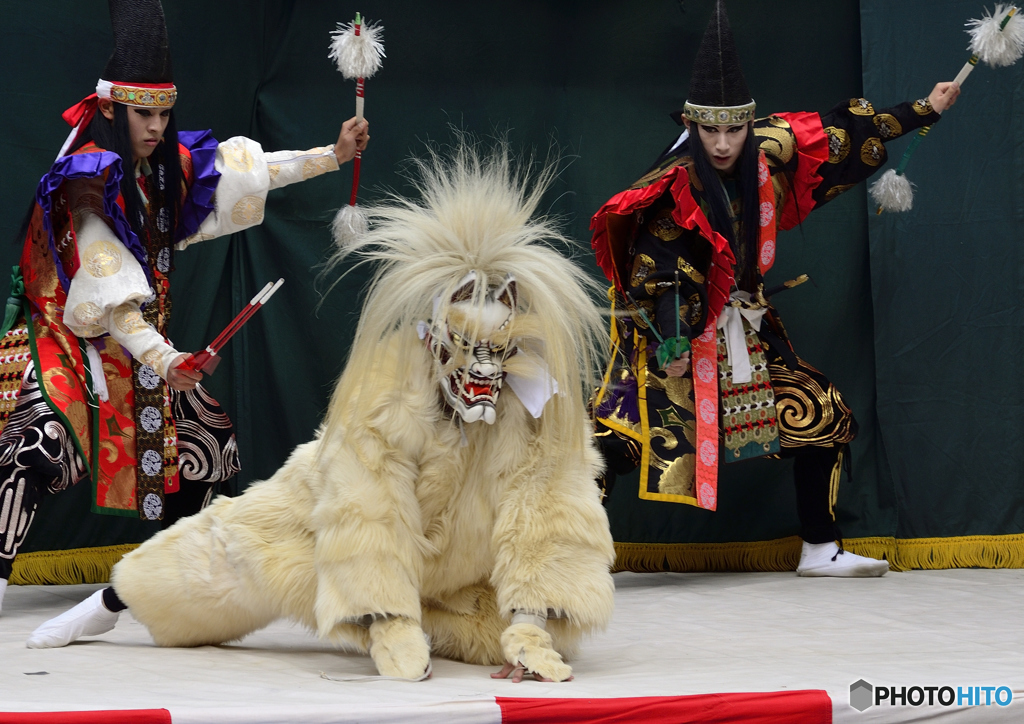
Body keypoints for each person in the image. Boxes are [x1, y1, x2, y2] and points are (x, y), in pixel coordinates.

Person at [0, 0, 369, 613]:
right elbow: (114, 301)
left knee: (210, 448)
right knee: (36, 445)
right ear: (113, 110)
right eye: (145, 115)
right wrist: (167, 361)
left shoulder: (161, 173)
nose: (157, 128)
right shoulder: (85, 182)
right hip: (68, 342)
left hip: (146, 353)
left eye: (166, 115)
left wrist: (331, 157)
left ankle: (168, 583)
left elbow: (242, 171)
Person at [590, 0, 959, 577]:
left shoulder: (770, 148)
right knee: (615, 445)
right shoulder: (674, 187)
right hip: (677, 337)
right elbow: (664, 272)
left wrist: (923, 110)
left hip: (745, 329)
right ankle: (563, 556)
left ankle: (820, 548)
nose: (721, 143)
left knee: (820, 411)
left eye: (733, 129)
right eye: (708, 130)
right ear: (690, 124)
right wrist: (675, 344)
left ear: (749, 123)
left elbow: (842, 134)